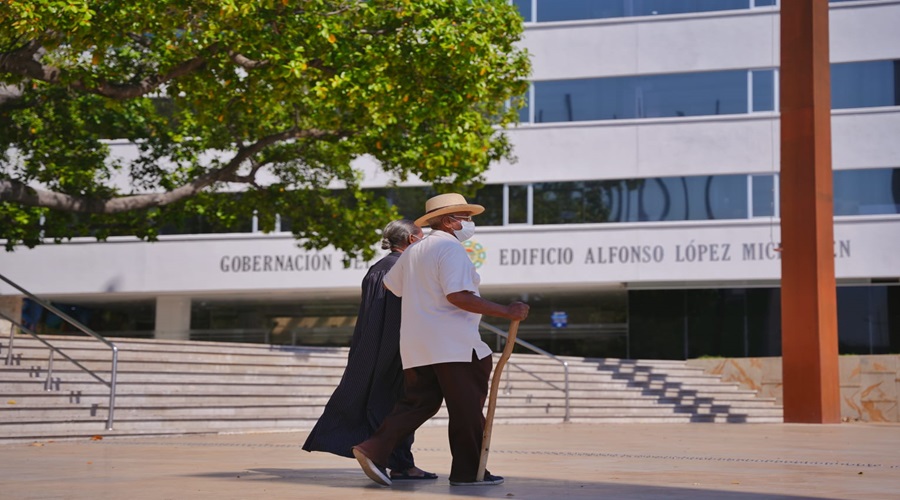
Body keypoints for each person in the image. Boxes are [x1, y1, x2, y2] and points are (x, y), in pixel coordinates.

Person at [351, 193, 530, 487]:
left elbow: (391, 286)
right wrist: (506, 311)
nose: (470, 223)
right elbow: (457, 296)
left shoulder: (413, 251)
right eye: (465, 217)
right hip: (454, 346)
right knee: (467, 410)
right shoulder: (450, 249)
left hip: (418, 345)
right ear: (449, 221)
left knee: (418, 403)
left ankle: (372, 448)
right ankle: (469, 473)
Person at [301, 219, 435, 480]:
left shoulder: (379, 267)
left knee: (385, 401)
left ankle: (399, 462)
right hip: (394, 347)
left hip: (374, 345)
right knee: (396, 402)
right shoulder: (401, 268)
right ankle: (394, 462)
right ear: (411, 240)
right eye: (421, 237)